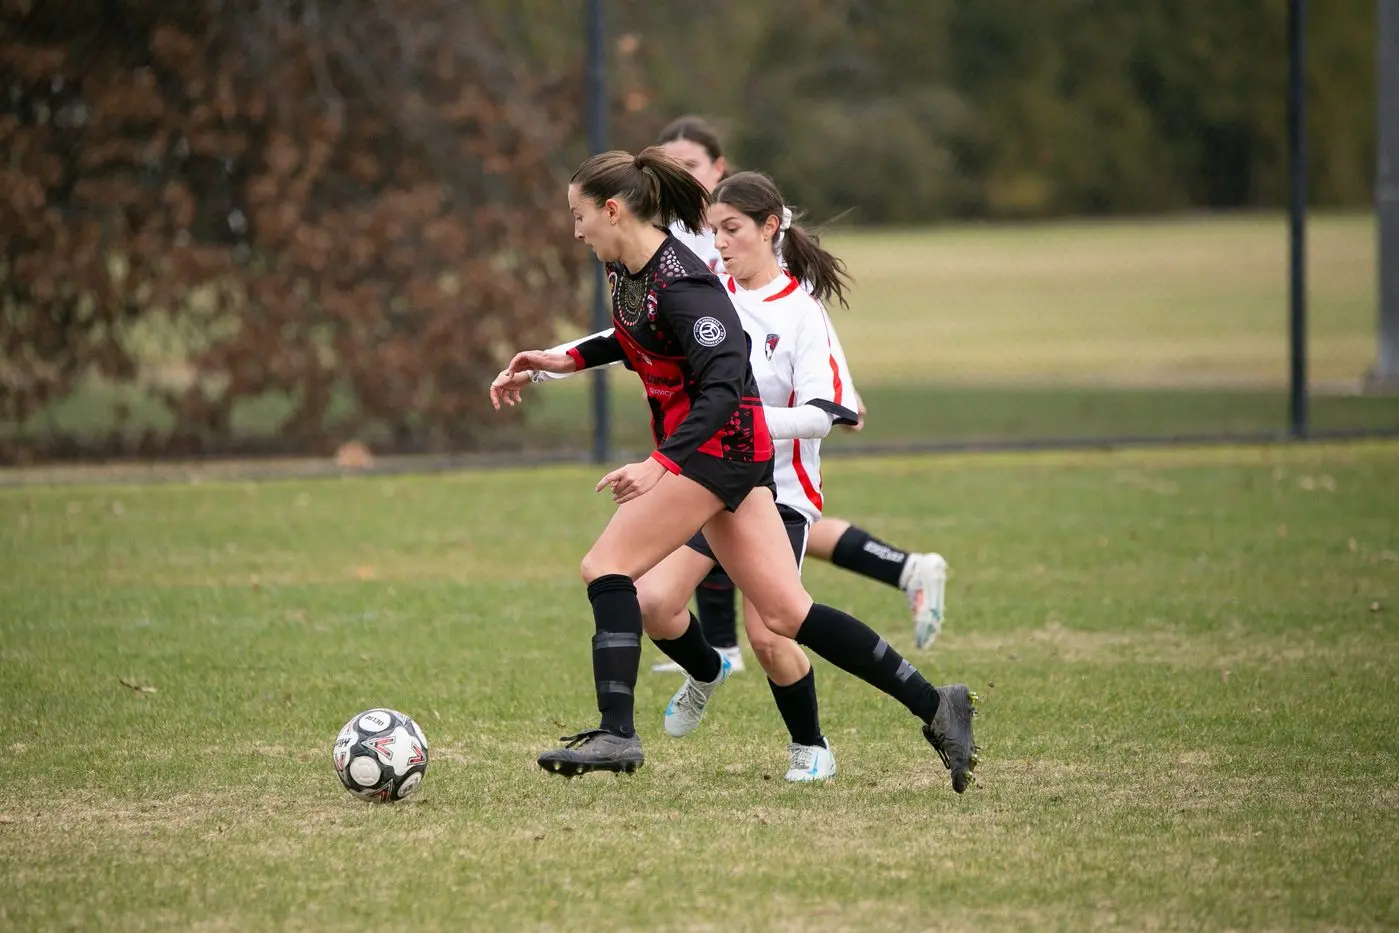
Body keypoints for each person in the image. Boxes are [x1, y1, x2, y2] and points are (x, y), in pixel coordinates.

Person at [490, 147, 978, 793]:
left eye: (578, 215)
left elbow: (724, 390)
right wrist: (557, 360)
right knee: (785, 612)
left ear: (611, 210)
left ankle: (617, 731)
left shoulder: (685, 282)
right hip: (726, 456)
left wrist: (658, 463)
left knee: (605, 568)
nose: (574, 230)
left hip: (714, 453)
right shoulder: (627, 271)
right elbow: (638, 336)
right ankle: (936, 703)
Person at [657, 116, 952, 661]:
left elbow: (803, 330)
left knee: (775, 615)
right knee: (704, 543)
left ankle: (729, 656)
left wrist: (839, 392)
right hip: (726, 448)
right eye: (671, 167)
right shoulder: (678, 236)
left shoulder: (759, 251)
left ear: (719, 168)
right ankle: (719, 653)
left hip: (773, 461)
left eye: (690, 165)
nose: (680, 175)